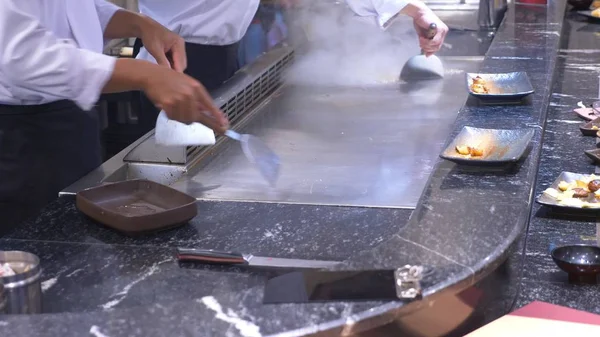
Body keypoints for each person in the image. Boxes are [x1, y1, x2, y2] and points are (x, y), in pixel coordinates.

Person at [0, 0, 228, 235]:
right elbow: (21, 57)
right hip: (20, 140)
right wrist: (145, 75)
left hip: (70, 121)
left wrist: (138, 24)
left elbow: (69, 10)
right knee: (35, 254)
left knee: (80, 245)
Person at [133, 0, 449, 131]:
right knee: (174, 180)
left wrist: (411, 7)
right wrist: (410, 8)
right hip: (170, 57)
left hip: (218, 53)